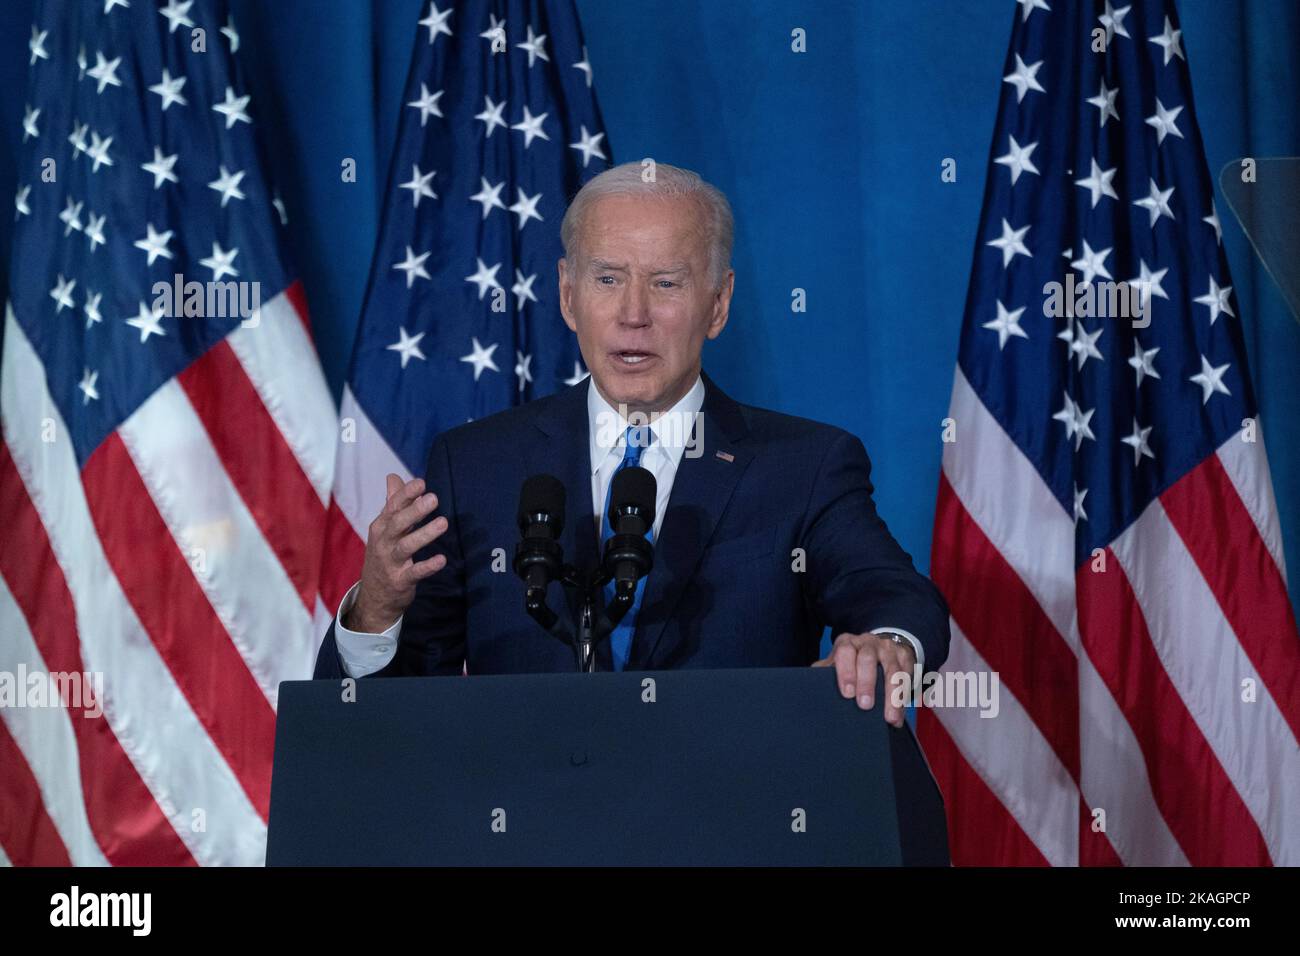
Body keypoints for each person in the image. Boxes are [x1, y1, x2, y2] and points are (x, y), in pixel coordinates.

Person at [314, 162, 950, 727]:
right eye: (608, 280)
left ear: (719, 303)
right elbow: (385, 722)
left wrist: (885, 642)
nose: (633, 314)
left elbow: (893, 596)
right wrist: (375, 610)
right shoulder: (476, 465)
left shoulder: (803, 466)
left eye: (666, 283)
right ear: (568, 294)